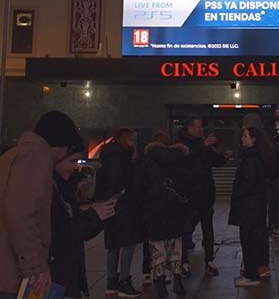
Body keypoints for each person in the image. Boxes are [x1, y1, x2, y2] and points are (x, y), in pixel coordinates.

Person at [0, 110, 82, 299]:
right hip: (11, 282)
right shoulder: (36, 157)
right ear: (60, 144)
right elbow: (21, 214)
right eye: (68, 150)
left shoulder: (6, 160)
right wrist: (36, 268)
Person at [50, 138, 116, 298]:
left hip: (65, 276)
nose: (76, 166)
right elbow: (64, 233)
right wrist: (95, 215)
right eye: (72, 161)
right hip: (57, 277)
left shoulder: (63, 189)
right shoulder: (51, 192)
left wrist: (97, 216)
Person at [94, 129, 145, 296]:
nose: (133, 141)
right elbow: (121, 180)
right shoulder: (121, 156)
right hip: (124, 204)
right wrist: (123, 192)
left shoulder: (110, 154)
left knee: (114, 245)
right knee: (129, 243)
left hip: (112, 203)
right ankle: (124, 280)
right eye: (131, 138)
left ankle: (112, 281)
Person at [141, 130, 192, 298]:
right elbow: (187, 182)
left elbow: (141, 185)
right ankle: (177, 280)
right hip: (175, 208)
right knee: (175, 245)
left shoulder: (148, 160)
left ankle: (160, 283)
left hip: (155, 208)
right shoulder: (180, 158)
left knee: (158, 247)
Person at [177, 119, 229, 278]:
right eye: (199, 126)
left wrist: (223, 157)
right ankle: (183, 261)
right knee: (186, 229)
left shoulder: (203, 145)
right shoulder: (181, 145)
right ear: (190, 127)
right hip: (189, 195)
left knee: (208, 228)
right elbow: (186, 160)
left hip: (205, 194)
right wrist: (204, 146)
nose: (201, 129)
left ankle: (209, 260)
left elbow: (214, 160)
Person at [230, 127, 272, 288]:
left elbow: (247, 183)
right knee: (258, 238)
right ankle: (260, 268)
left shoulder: (250, 159)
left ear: (254, 139)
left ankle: (251, 274)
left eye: (246, 136)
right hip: (256, 205)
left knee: (249, 240)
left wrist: (238, 194)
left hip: (249, 206)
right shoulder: (260, 157)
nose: (242, 139)